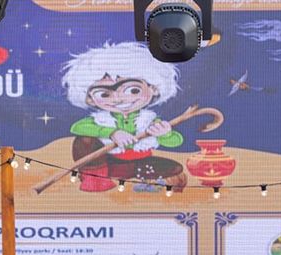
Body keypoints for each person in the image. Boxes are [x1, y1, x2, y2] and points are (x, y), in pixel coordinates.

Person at [62, 42, 187, 192]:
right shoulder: (101, 120)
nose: (119, 99)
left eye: (133, 90)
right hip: (109, 163)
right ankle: (95, 180)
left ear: (153, 88)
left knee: (174, 168)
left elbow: (176, 141)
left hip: (140, 163)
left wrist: (165, 134)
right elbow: (77, 127)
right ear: (90, 99)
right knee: (85, 140)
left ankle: (146, 182)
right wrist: (112, 133)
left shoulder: (148, 120)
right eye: (104, 94)